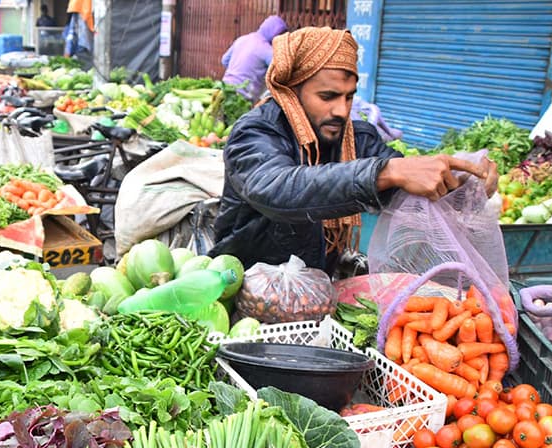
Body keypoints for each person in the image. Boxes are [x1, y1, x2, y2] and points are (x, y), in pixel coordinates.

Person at [210, 27, 497, 273]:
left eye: (349, 97)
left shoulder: (357, 138)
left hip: (316, 286)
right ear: (291, 91)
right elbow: (275, 188)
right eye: (328, 96)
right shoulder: (256, 132)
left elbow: (408, 186)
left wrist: (461, 186)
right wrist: (387, 172)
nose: (342, 110)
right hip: (244, 283)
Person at [221, 15, 287, 102]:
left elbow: (224, 60)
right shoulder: (267, 50)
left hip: (225, 87)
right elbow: (280, 72)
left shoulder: (242, 39)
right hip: (244, 96)